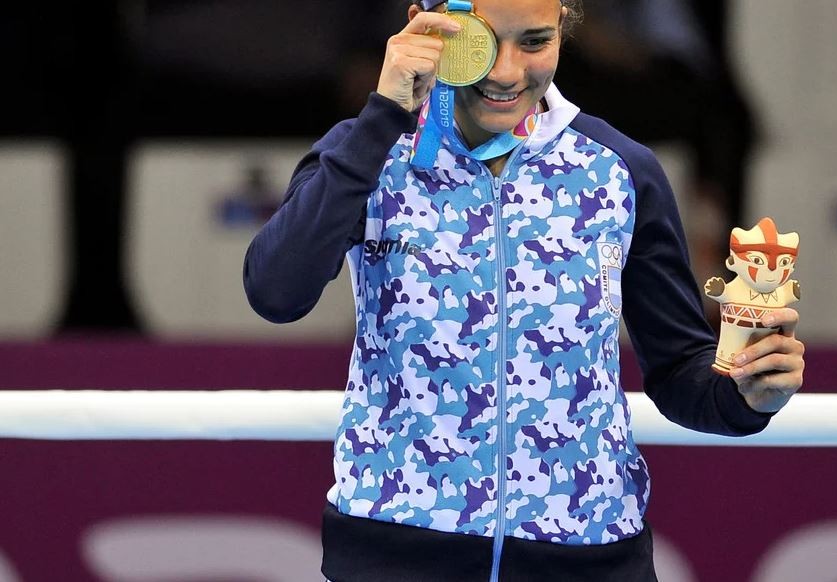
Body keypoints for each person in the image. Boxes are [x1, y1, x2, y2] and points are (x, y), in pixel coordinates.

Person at [243, 0, 805, 580]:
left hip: (590, 561)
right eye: (481, 43)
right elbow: (276, 293)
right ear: (425, 27)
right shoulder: (368, 153)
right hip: (393, 558)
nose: (507, 72)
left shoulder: (620, 171)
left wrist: (745, 395)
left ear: (563, 28)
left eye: (535, 42)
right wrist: (383, 115)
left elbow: (680, 369)